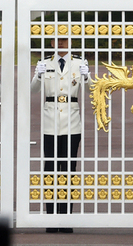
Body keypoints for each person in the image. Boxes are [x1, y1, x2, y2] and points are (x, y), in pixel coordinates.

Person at [31, 37, 90, 234]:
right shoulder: (45, 63)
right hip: (50, 123)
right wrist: (38, 76)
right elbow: (32, 90)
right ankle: (51, 217)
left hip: (72, 123)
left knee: (69, 169)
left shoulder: (80, 62)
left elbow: (92, 91)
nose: (62, 43)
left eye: (65, 40)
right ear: (51, 43)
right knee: (51, 169)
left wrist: (88, 76)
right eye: (58, 40)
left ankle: (65, 218)